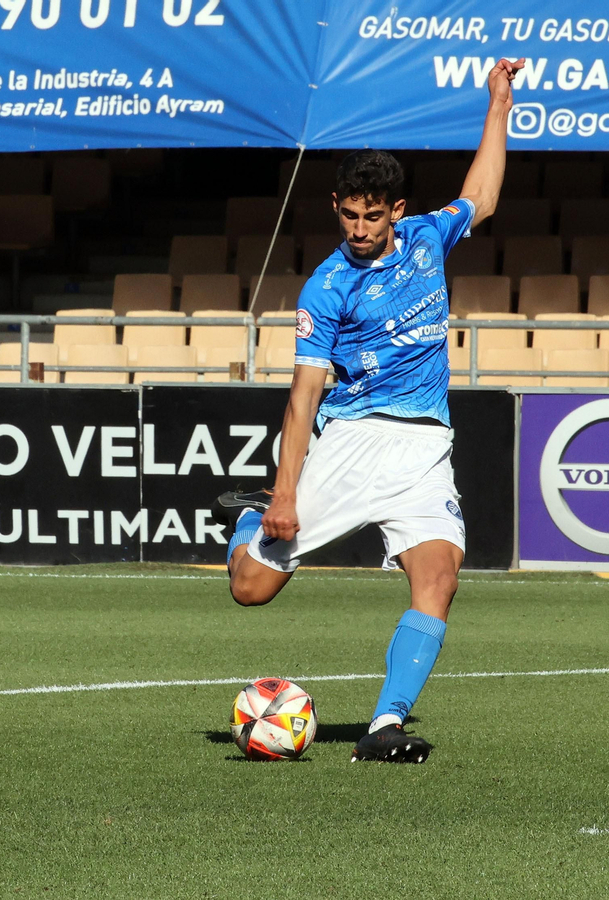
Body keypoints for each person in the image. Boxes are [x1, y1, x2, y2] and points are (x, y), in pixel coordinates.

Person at [215, 58, 525, 764]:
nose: (359, 227)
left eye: (372, 215)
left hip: (423, 448)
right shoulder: (326, 290)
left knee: (440, 576)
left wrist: (498, 107)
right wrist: (286, 492)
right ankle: (249, 519)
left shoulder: (427, 237)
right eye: (349, 214)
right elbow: (304, 396)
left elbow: (481, 195)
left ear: (395, 211)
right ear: (337, 208)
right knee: (250, 589)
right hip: (352, 440)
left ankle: (384, 726)